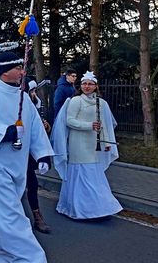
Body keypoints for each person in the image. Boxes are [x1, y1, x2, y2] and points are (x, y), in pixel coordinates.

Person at [0, 44, 54, 263]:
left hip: (17, 164)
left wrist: (42, 154)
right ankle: (30, 257)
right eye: (18, 67)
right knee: (10, 212)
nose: (22, 71)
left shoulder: (23, 98)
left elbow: (35, 128)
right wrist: (5, 133)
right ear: (5, 71)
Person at [51, 71, 122, 220]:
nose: (87, 86)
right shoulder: (76, 101)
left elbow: (104, 125)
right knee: (82, 173)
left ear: (96, 86)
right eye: (84, 83)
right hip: (78, 143)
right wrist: (89, 125)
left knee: (93, 174)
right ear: (80, 85)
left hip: (93, 145)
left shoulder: (101, 103)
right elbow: (69, 121)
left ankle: (97, 208)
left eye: (90, 84)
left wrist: (106, 141)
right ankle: (79, 209)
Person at [25, 80, 52, 233]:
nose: (34, 94)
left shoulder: (36, 106)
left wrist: (46, 127)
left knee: (32, 184)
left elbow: (40, 134)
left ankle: (37, 215)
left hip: (29, 152)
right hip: (14, 151)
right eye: (32, 91)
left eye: (35, 91)